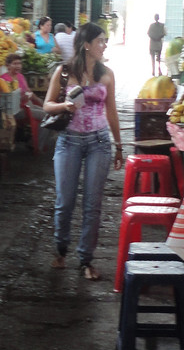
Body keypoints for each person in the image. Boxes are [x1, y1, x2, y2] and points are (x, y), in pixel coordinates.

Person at [43, 23, 124, 280]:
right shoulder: (64, 72)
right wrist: (64, 106)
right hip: (69, 141)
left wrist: (119, 145)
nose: (104, 45)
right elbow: (46, 105)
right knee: (64, 201)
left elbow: (111, 112)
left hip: (99, 142)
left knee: (93, 204)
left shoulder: (107, 74)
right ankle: (60, 249)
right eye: (100, 40)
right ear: (86, 44)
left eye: (105, 41)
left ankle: (85, 260)